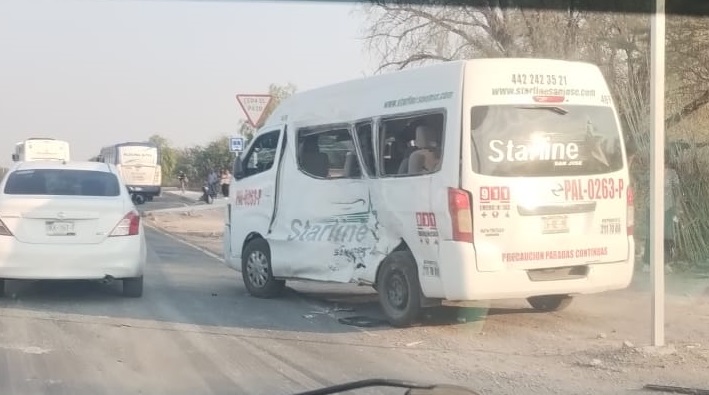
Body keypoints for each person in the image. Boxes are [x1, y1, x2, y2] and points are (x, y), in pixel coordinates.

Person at [643, 151, 681, 267]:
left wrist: (677, 205)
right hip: (652, 207)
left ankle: (666, 262)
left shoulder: (671, 173)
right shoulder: (651, 172)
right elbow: (644, 186)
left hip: (667, 207)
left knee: (667, 234)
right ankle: (648, 262)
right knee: (651, 233)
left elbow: (677, 189)